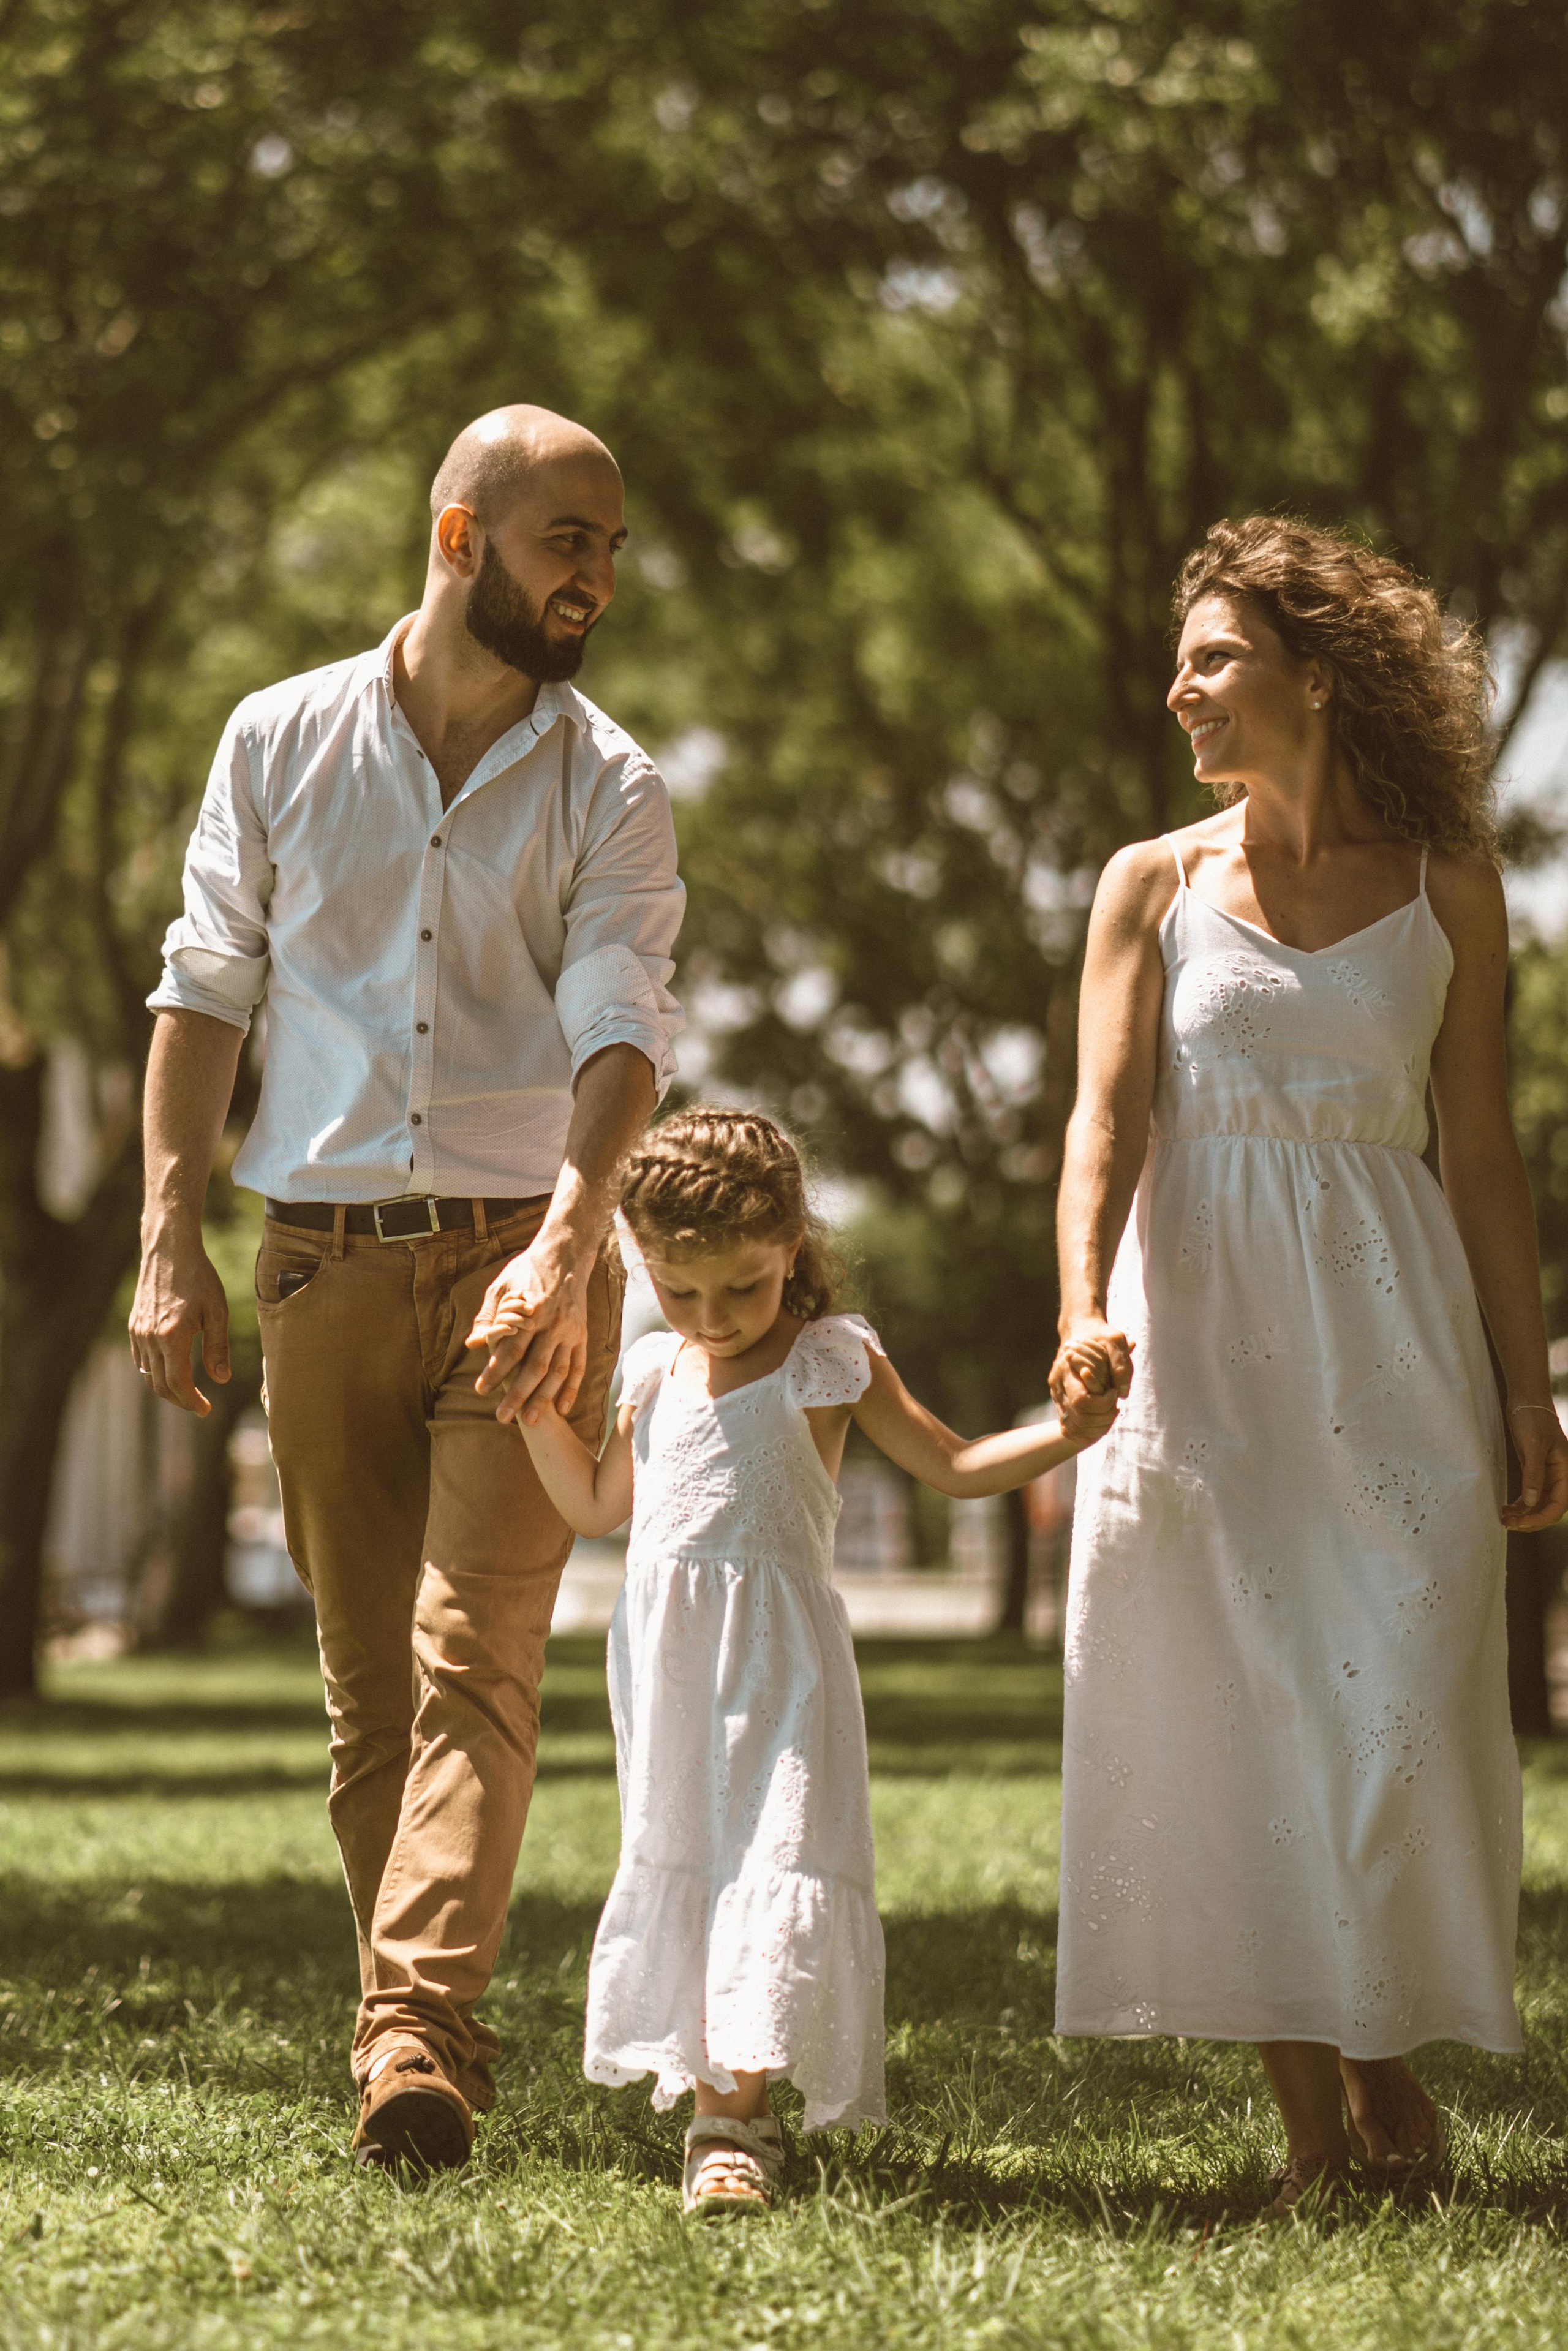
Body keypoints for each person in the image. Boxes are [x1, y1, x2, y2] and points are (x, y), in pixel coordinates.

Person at [130, 404, 685, 2172]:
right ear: (461, 540)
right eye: (564, 539)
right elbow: (205, 988)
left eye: (607, 543)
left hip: (528, 1257)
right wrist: (168, 1238)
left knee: (478, 1655)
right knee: (373, 1681)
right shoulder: (280, 737)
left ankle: (409, 2041)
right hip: (318, 1257)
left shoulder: (614, 785)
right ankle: (417, 2027)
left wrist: (572, 1245)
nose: (596, 573)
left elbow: (620, 1026)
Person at [1049, 515, 1568, 2218]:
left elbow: (1479, 1150)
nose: (1179, 684)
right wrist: (1079, 1306)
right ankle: (1325, 2121)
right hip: (1196, 1344)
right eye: (1183, 654)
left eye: (1214, 654)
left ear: (1319, 675)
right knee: (1239, 1711)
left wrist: (1522, 1385)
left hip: (1392, 1335)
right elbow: (1103, 1120)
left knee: (1396, 1704)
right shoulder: (1152, 883)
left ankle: (1385, 2053)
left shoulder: (1452, 893)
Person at [517, 1108, 1120, 2215]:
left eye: (741, 1288)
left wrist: (1070, 1435)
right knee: (688, 1853)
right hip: (671, 1673)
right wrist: (526, 1413)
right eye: (681, 1289)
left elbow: (956, 1463)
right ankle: (715, 2107)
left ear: (792, 1244)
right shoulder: (653, 1370)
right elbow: (597, 1504)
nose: (713, 1316)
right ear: (646, 1267)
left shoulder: (827, 1361)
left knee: (771, 1861)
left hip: (781, 1671)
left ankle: (732, 2124)